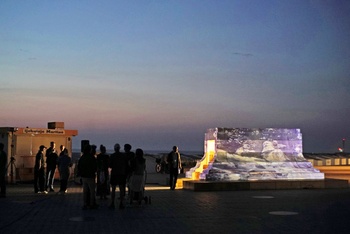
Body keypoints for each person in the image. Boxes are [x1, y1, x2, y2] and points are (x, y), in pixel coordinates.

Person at [78, 144, 98, 210]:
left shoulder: (82, 157)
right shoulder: (92, 157)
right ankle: (92, 204)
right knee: (92, 191)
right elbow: (95, 166)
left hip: (84, 176)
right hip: (90, 176)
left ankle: (85, 204)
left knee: (85, 191)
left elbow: (79, 166)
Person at [109, 143, 128, 209]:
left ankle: (112, 203)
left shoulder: (112, 156)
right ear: (119, 148)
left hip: (114, 174)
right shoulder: (123, 156)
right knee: (121, 189)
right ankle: (121, 203)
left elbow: (110, 165)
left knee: (113, 189)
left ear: (114, 149)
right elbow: (126, 164)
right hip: (122, 174)